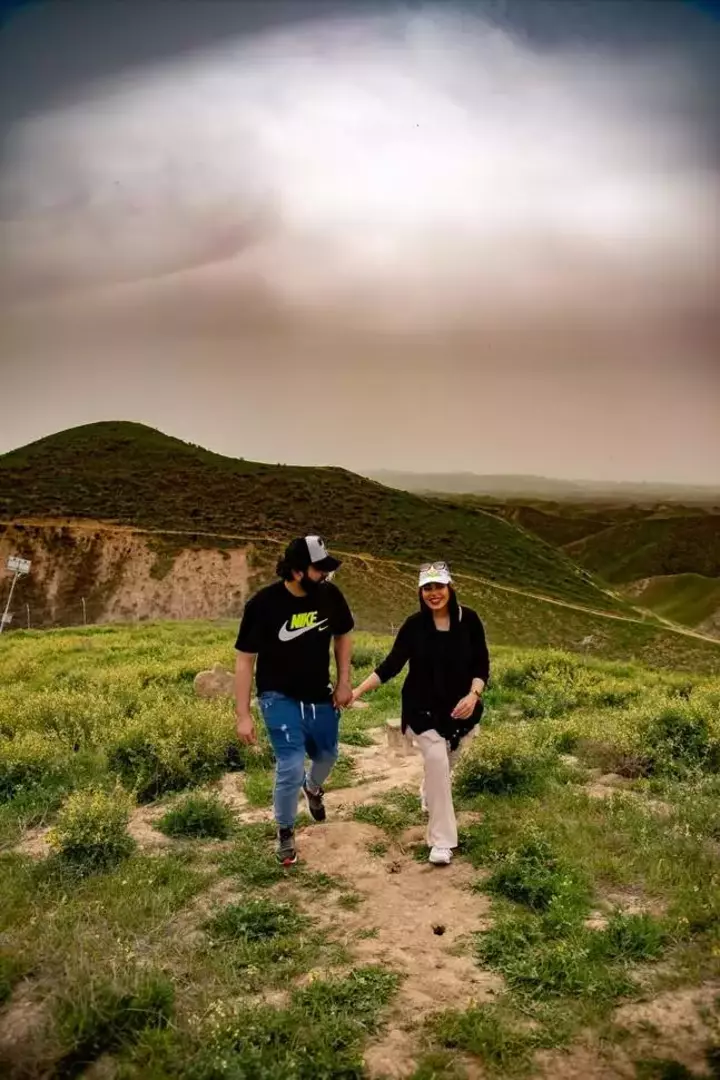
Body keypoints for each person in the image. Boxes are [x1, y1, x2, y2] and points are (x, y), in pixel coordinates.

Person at [351, 561, 489, 866]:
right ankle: (442, 842)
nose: (433, 593)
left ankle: (429, 789)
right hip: (421, 708)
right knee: (438, 759)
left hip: (460, 709)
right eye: (427, 588)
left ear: (450, 587)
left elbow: (481, 666)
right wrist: (357, 691)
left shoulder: (469, 620)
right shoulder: (414, 626)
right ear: (420, 592)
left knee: (446, 764)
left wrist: (473, 695)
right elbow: (390, 666)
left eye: (439, 586)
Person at [234, 535, 354, 865]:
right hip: (278, 696)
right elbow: (245, 659)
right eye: (319, 569)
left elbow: (343, 634)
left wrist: (344, 681)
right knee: (290, 765)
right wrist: (243, 714)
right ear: (297, 571)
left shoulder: (330, 595)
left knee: (327, 755)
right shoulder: (263, 605)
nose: (326, 575)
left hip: (319, 694)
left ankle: (312, 788)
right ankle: (285, 831)